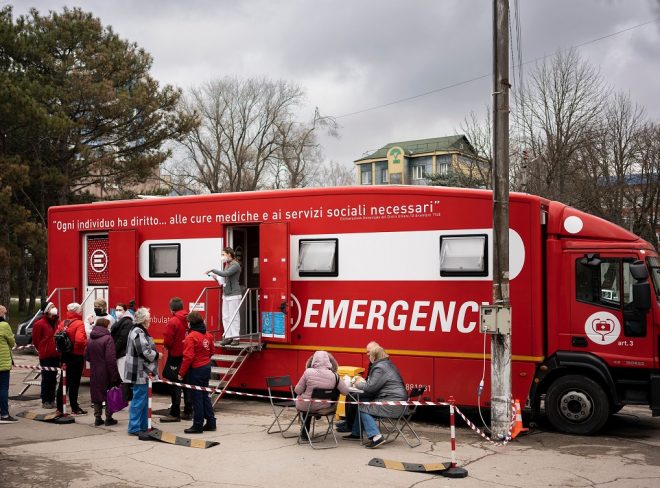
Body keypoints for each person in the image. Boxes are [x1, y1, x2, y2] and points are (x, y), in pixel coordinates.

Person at [345, 342, 407, 448]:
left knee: (363, 407)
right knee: (363, 404)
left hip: (393, 403)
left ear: (374, 356)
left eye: (369, 354)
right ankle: (356, 433)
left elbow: (370, 388)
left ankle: (376, 437)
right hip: (398, 401)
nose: (367, 356)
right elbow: (374, 386)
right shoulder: (387, 364)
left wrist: (357, 383)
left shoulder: (380, 367)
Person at [294, 350, 349, 440]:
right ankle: (317, 414)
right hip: (325, 407)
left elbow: (297, 390)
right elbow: (345, 392)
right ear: (328, 361)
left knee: (306, 404)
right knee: (311, 404)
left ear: (314, 360)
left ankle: (305, 433)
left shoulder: (308, 372)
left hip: (307, 406)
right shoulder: (335, 376)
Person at [178, 312, 216, 434]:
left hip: (196, 369)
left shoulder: (191, 337)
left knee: (197, 398)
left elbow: (188, 357)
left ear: (190, 323)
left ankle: (198, 425)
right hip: (206, 367)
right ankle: (211, 422)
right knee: (205, 396)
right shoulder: (208, 335)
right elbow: (212, 351)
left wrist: (181, 373)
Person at [125, 307, 159, 436]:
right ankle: (134, 427)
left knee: (144, 400)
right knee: (139, 400)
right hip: (140, 372)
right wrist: (157, 355)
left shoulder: (138, 330)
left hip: (141, 371)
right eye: (149, 318)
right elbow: (144, 352)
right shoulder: (139, 332)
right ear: (144, 320)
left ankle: (144, 425)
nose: (150, 320)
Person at [161, 297, 192, 423]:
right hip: (188, 355)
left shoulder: (173, 321)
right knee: (187, 384)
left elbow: (168, 340)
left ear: (171, 308)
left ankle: (175, 413)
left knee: (175, 385)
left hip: (175, 356)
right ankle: (188, 411)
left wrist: (167, 346)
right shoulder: (189, 318)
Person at [85, 318, 121, 426]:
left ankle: (97, 418)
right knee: (109, 393)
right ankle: (108, 418)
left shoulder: (90, 338)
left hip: (94, 370)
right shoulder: (108, 338)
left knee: (96, 393)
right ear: (105, 326)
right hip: (106, 370)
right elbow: (110, 359)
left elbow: (87, 356)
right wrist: (114, 375)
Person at [56, 303, 88, 416]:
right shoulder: (79, 324)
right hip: (76, 356)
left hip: (64, 355)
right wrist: (86, 342)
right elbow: (79, 341)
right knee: (74, 383)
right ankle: (74, 407)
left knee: (63, 382)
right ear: (78, 312)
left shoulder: (63, 323)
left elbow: (56, 337)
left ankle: (59, 407)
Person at [206, 247, 241, 346]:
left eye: (224, 254)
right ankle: (228, 336)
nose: (223, 256)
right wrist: (216, 277)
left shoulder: (235, 264)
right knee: (225, 316)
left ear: (229, 254)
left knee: (234, 316)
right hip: (226, 293)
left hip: (234, 294)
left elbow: (226, 274)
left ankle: (236, 338)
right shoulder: (227, 264)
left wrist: (213, 270)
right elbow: (224, 277)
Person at [31, 301, 60, 409]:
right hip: (46, 355)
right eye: (52, 307)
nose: (54, 308)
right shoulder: (39, 324)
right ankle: (45, 400)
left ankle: (52, 399)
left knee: (53, 378)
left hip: (56, 354)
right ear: (47, 310)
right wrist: (43, 349)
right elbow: (36, 340)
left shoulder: (57, 322)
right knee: (46, 378)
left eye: (54, 306)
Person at [110, 303, 134, 401]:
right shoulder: (120, 321)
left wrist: (113, 351)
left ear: (125, 311)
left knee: (124, 377)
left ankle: (125, 398)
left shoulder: (127, 322)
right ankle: (124, 397)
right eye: (116, 309)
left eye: (120, 310)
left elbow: (122, 339)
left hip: (123, 353)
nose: (118, 312)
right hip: (120, 353)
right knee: (122, 376)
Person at [0, 305, 17, 423]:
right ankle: (4, 414)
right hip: (3, 362)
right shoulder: (4, 325)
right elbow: (12, 342)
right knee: (3, 389)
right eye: (4, 313)